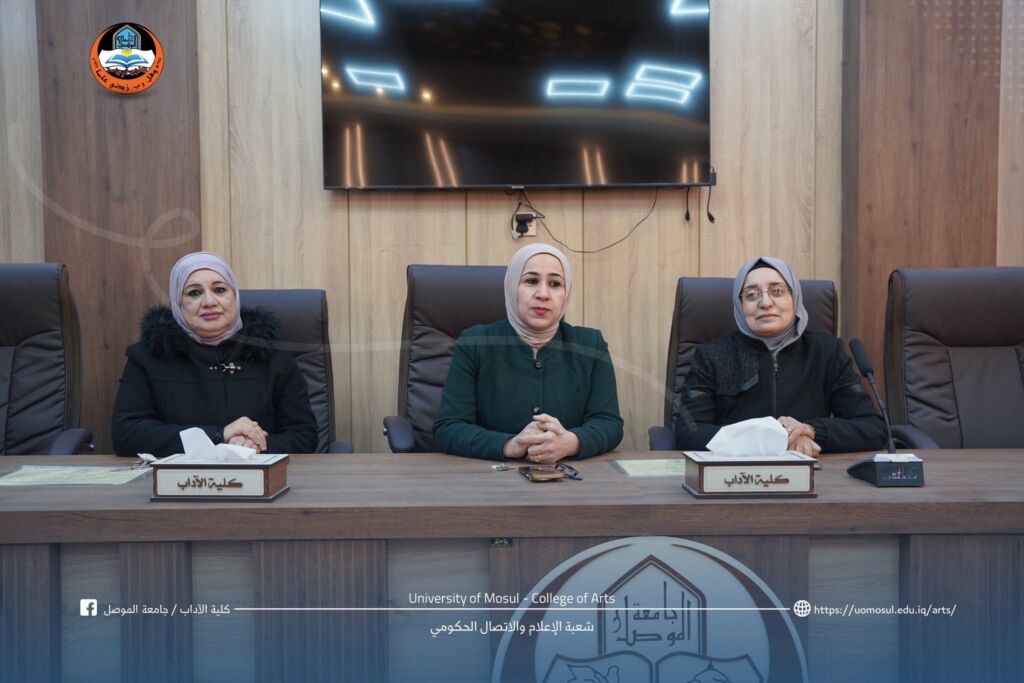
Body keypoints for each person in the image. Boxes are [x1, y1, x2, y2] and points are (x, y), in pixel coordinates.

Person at [111, 252, 318, 457]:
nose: (209, 302)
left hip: (259, 473)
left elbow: (304, 435)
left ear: (234, 296)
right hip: (181, 477)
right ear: (177, 302)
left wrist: (251, 446)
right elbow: (126, 434)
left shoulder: (272, 353)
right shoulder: (147, 357)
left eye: (219, 290)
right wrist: (219, 435)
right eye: (194, 293)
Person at [674, 256, 886, 455]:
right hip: (738, 475)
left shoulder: (827, 352)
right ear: (739, 305)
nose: (765, 302)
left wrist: (810, 430)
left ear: (794, 297)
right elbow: (688, 432)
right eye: (751, 294)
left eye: (777, 291)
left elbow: (873, 428)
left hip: (813, 473)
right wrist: (770, 439)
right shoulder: (713, 356)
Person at [433, 243, 623, 463]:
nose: (543, 294)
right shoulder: (475, 343)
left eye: (555, 284)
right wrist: (510, 445)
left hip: (571, 477)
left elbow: (609, 424)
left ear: (566, 293)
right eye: (531, 281)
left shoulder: (591, 345)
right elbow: (449, 428)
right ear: (512, 286)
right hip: (491, 477)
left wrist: (570, 442)